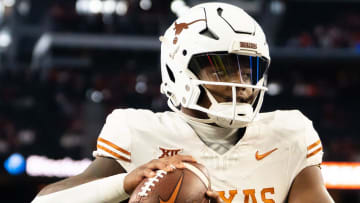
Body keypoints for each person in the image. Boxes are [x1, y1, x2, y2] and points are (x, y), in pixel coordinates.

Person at [32, 2, 334, 203]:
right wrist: (125, 183)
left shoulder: (289, 132)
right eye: (222, 67)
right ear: (179, 69)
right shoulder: (136, 130)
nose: (242, 85)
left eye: (249, 70)